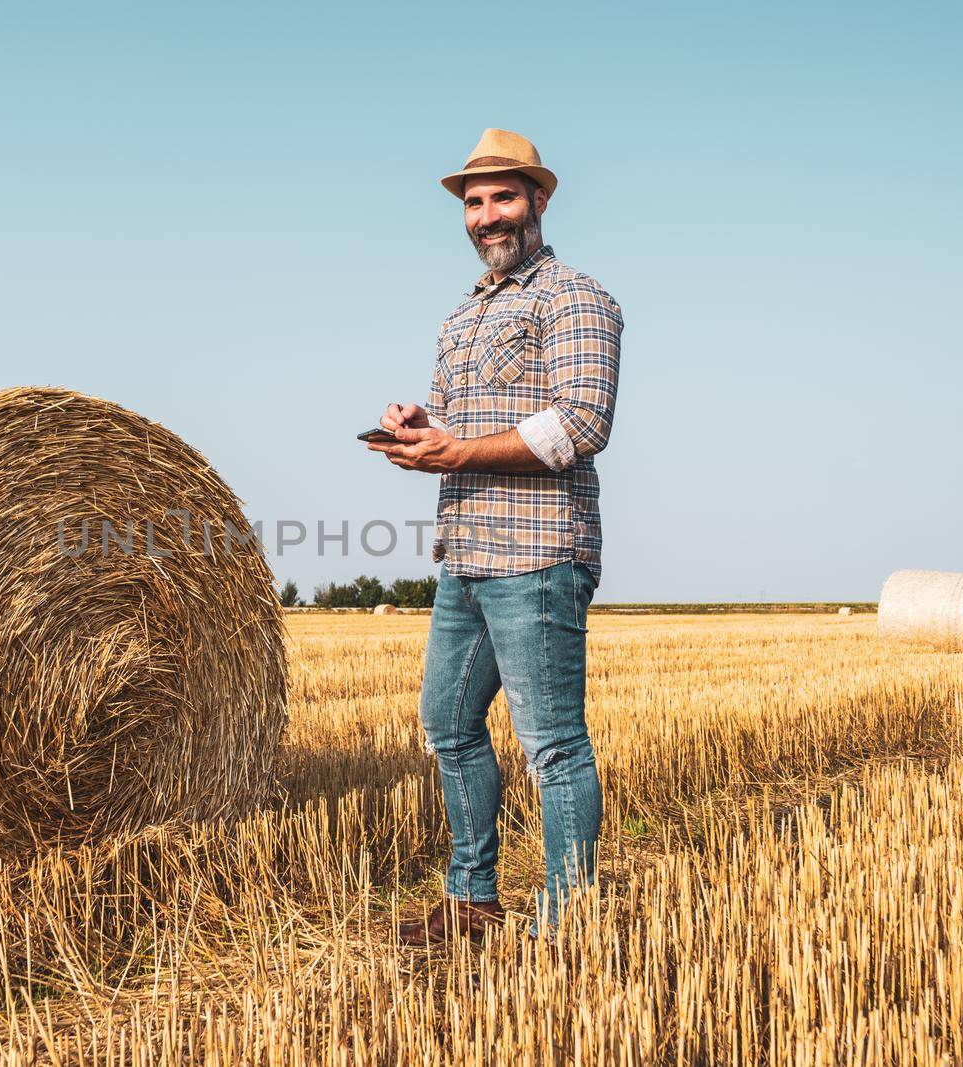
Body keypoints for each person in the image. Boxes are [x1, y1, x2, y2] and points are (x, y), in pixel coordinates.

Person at [365, 128, 623, 944]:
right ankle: (473, 898)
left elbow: (581, 422)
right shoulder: (459, 319)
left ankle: (568, 923)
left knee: (551, 746)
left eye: (503, 198)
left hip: (539, 554)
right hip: (466, 554)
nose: (486, 217)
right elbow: (463, 430)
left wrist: (457, 450)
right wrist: (418, 428)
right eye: (474, 203)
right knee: (446, 723)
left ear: (540, 200)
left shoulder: (574, 298)